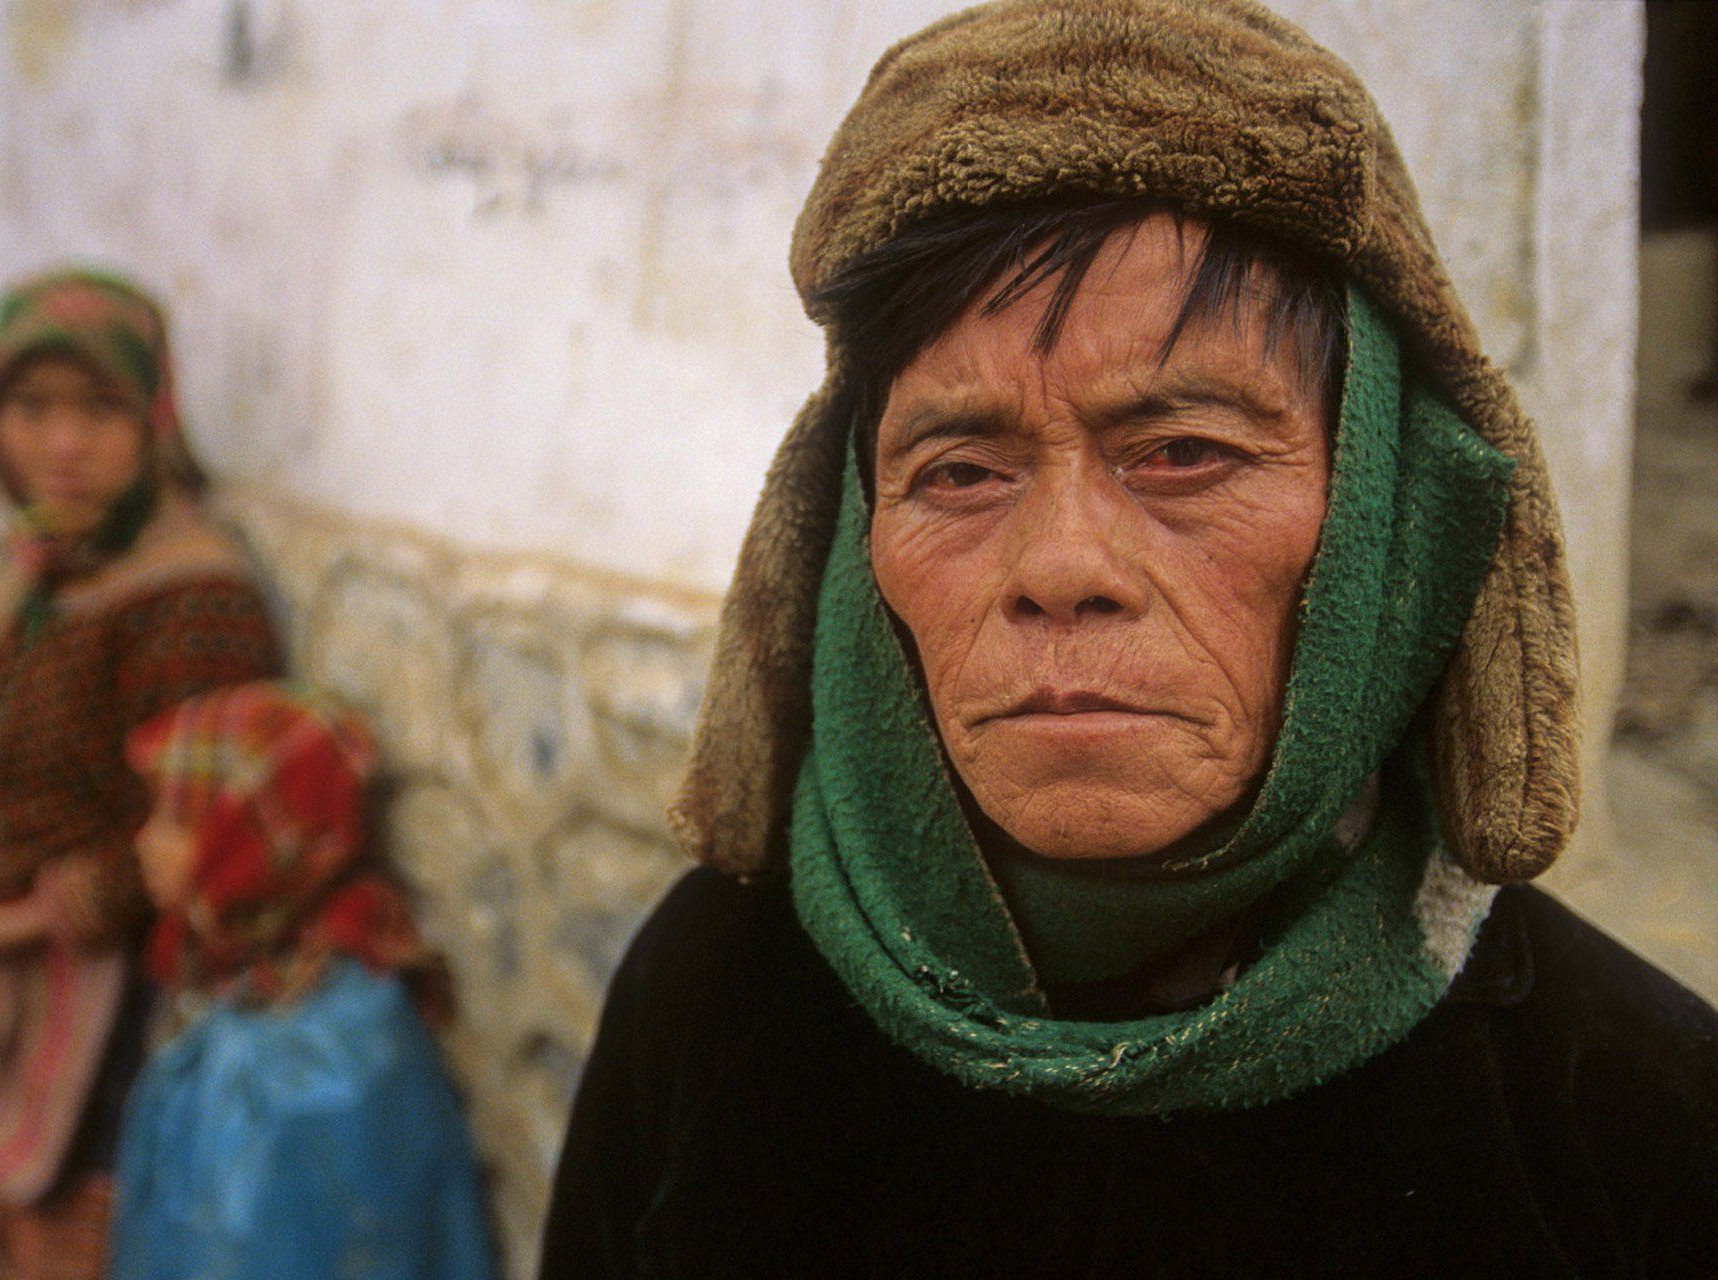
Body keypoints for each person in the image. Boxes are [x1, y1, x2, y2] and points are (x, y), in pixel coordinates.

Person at [539, 2, 1718, 1276]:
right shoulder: (714, 992)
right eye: (961, 471)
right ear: (854, 534)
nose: (1061, 568)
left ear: (1384, 518)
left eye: (1185, 455)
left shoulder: (1631, 1120)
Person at [0, 267, 283, 1280]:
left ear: (155, 416)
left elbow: (187, 846)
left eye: (101, 409)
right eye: (31, 408)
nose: (62, 445)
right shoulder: (49, 562)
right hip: (29, 967)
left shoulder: (197, 599)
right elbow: (22, 781)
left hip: (126, 1006)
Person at [112, 680, 498, 1280]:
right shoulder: (227, 979)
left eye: (171, 817)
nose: (141, 842)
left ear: (242, 839)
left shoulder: (346, 1048)